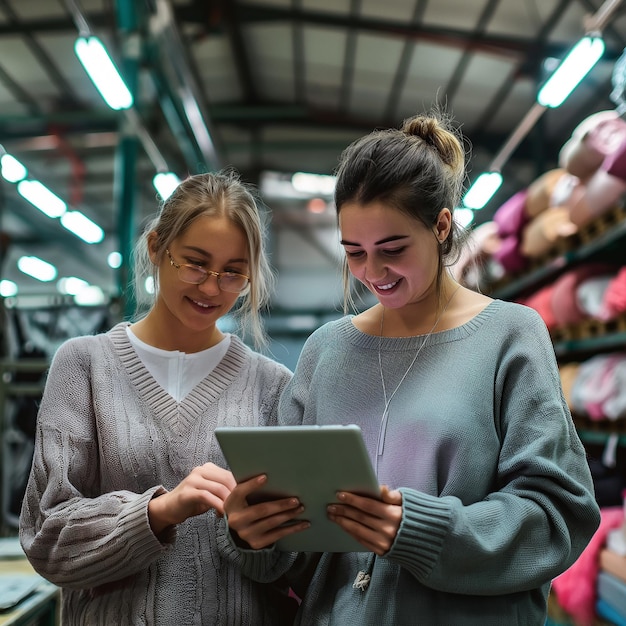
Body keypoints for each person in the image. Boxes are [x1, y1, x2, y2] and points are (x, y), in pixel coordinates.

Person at [220, 111, 602, 625]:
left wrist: (423, 532)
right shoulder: (326, 350)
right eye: (354, 252)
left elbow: (557, 516)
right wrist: (256, 532)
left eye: (392, 249)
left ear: (441, 226)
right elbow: (295, 554)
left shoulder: (509, 335)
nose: (372, 273)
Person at [19, 170, 296, 625]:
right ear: (156, 249)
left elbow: (285, 563)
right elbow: (47, 538)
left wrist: (253, 537)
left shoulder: (272, 386)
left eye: (232, 273)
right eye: (194, 263)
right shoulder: (84, 367)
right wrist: (158, 512)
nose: (211, 287)